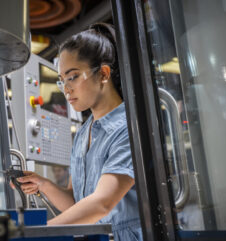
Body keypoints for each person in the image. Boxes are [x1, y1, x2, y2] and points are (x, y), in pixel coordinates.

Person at [16, 23, 143, 241]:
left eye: (73, 77)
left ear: (103, 74)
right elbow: (77, 203)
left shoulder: (128, 127)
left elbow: (102, 203)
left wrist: (37, 232)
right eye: (61, 80)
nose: (66, 89)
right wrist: (43, 185)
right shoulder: (84, 133)